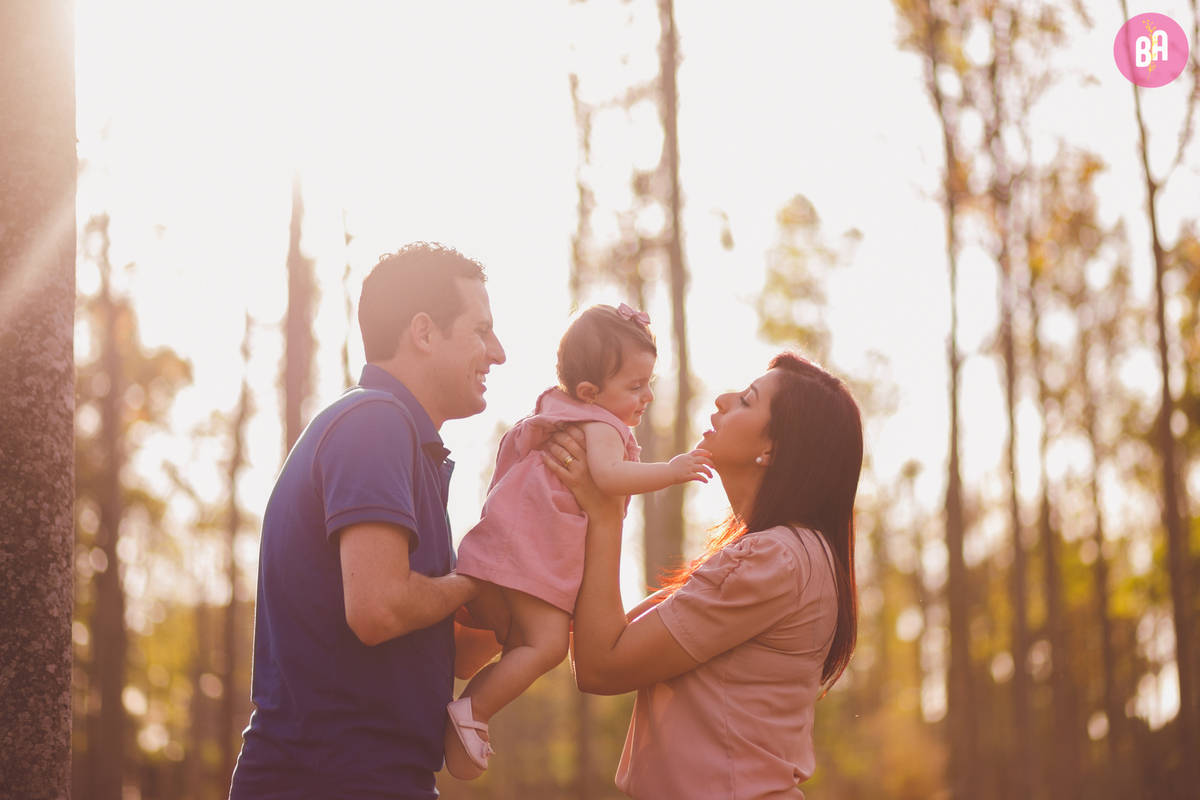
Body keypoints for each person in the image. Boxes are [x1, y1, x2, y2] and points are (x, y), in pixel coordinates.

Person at [229, 242, 509, 800]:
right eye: (481, 331)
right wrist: (469, 584)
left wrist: (542, 581)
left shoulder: (405, 443)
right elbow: (378, 609)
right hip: (327, 779)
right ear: (424, 332)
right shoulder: (374, 424)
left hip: (380, 777)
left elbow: (454, 651)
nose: (497, 353)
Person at [548, 351, 862, 800]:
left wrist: (604, 513)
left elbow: (601, 666)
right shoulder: (781, 554)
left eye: (747, 401)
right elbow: (603, 636)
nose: (721, 399)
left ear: (772, 449)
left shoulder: (774, 559)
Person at [444, 303, 714, 779]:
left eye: (648, 382)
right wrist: (671, 471)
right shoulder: (601, 425)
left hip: (516, 544)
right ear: (591, 392)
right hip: (533, 554)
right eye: (635, 386)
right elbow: (609, 478)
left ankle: (466, 708)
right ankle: (471, 712)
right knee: (546, 647)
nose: (646, 396)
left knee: (522, 644)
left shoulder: (561, 410)